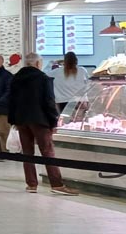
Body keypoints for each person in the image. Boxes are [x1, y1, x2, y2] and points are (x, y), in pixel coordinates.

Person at [8, 53, 78, 195]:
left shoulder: (16, 79)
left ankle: (31, 184)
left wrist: (13, 120)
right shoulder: (43, 78)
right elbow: (49, 102)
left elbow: (11, 101)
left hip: (21, 120)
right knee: (47, 151)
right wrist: (54, 122)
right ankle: (56, 184)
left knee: (27, 153)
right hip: (40, 120)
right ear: (38, 63)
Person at [51, 51, 88, 115]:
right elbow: (88, 84)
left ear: (64, 61)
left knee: (65, 123)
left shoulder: (57, 72)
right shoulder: (82, 71)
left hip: (62, 103)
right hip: (79, 102)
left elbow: (44, 73)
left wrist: (55, 62)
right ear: (76, 60)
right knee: (78, 123)